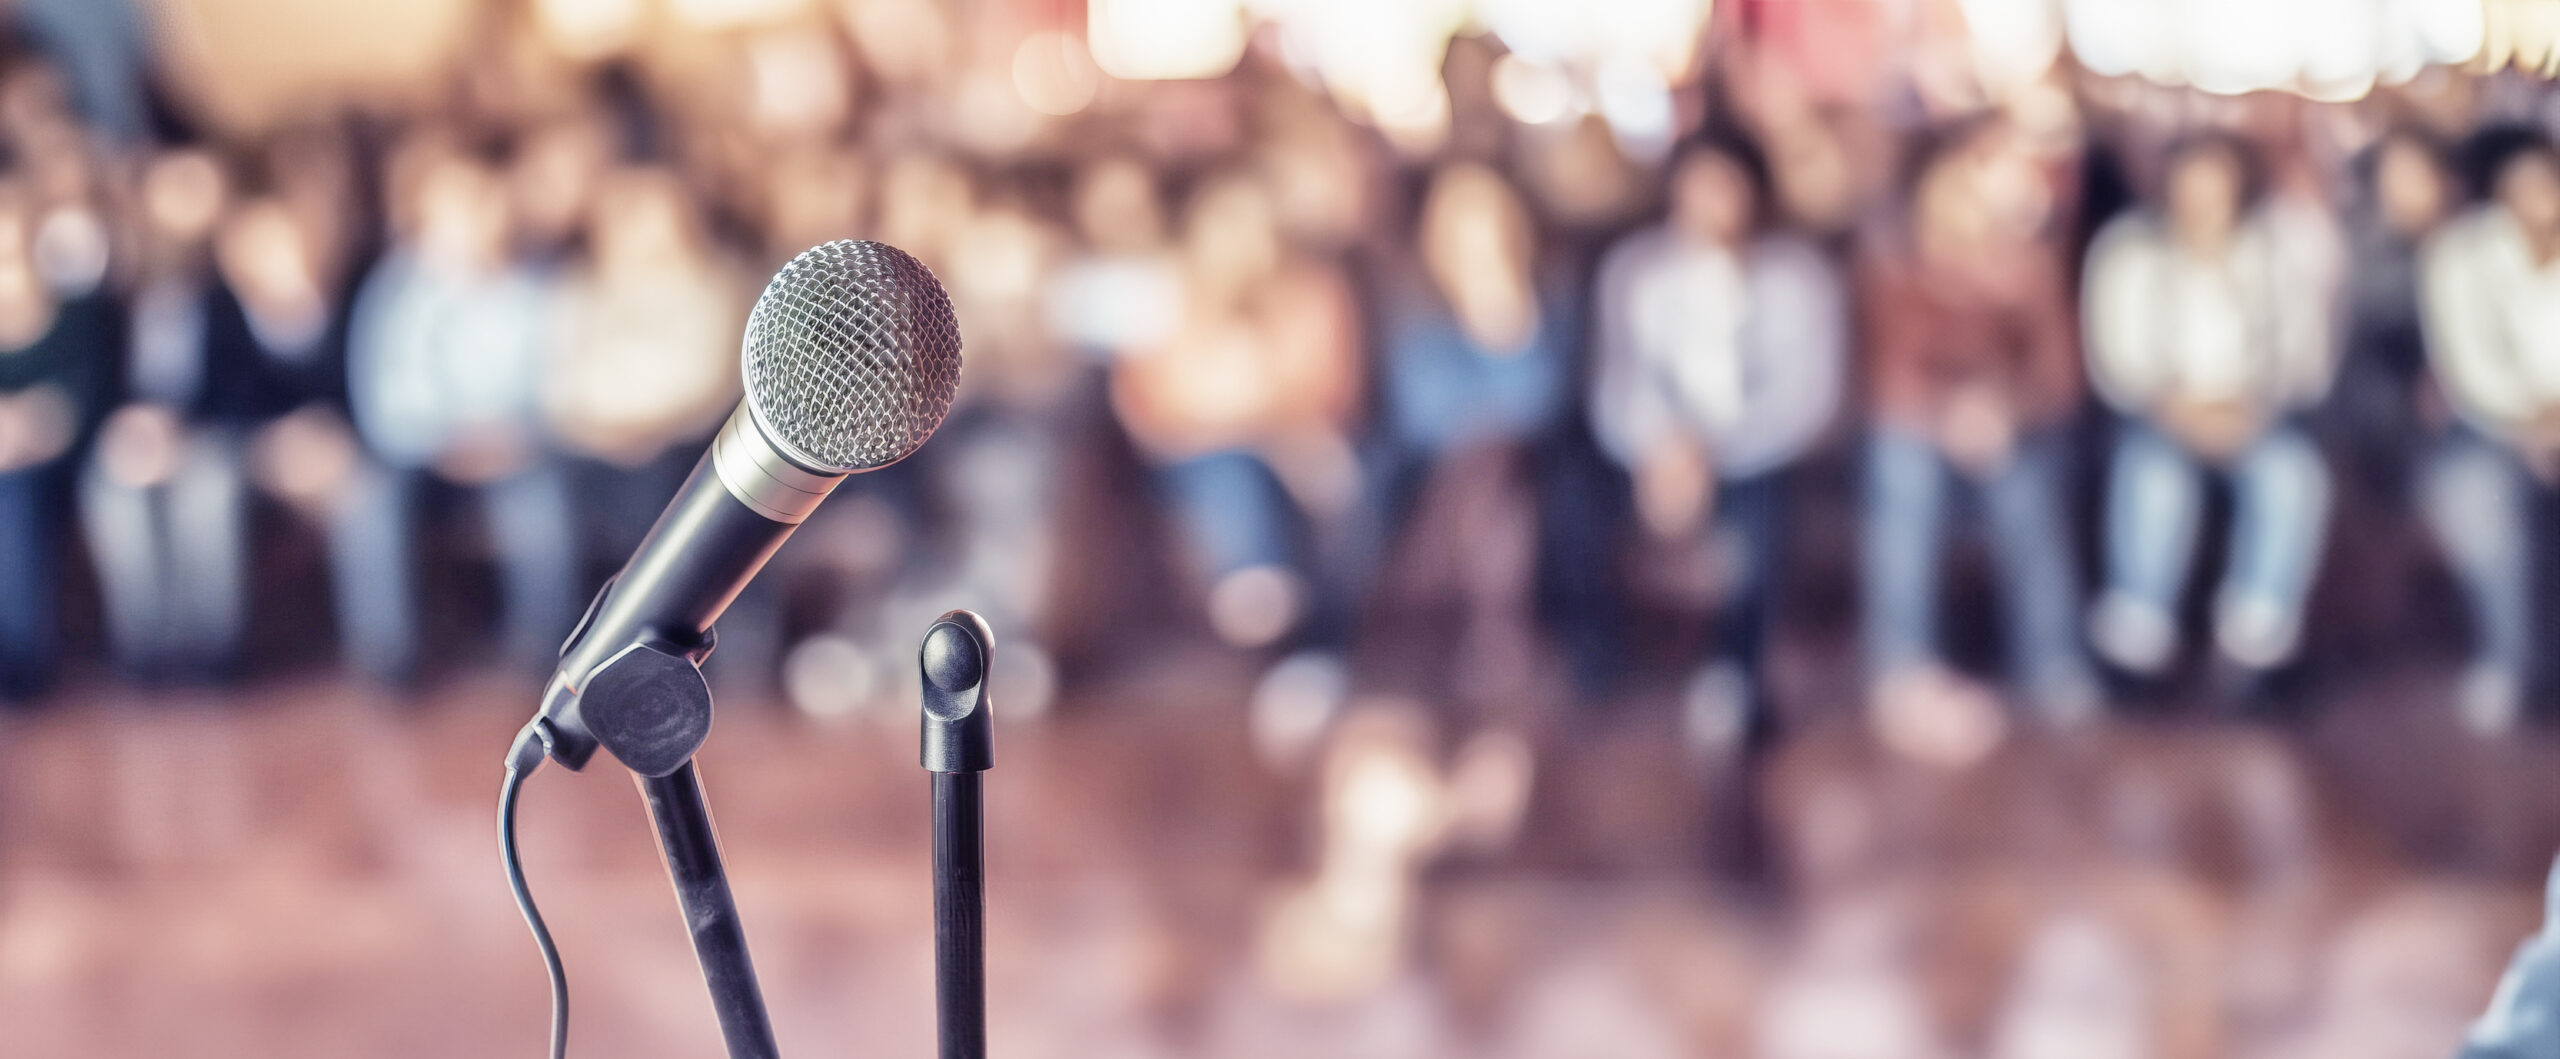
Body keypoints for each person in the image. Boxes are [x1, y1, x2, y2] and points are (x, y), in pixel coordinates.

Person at [1590, 132, 1846, 750]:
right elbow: (1615, 384)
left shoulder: (1798, 277)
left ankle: (1738, 670)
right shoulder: (1634, 272)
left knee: (1759, 519)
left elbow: (1808, 399)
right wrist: (1663, 449)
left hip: (1756, 453)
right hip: (1653, 456)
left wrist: (1713, 449)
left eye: (1726, 186)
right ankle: (1599, 673)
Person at [2081, 132, 2339, 696]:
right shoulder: (2127, 250)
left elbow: (2306, 354)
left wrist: (2251, 407)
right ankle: (2139, 646)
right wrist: (2178, 409)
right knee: (2153, 479)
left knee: (2290, 477)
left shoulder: (2276, 251)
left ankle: (2254, 647)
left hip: (2254, 414)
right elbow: (2113, 356)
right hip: (2159, 414)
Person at [1110, 169, 1363, 737]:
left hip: (1297, 453)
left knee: (1346, 489)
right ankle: (1260, 585)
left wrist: (1249, 414)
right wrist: (1255, 420)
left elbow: (1330, 392)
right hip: (1199, 462)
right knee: (1233, 469)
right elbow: (1151, 409)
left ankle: (1301, 642)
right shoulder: (1170, 299)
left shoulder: (1311, 293)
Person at [1859, 118, 2095, 726]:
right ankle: (1902, 674)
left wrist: (2002, 410)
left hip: (2011, 430)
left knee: (2026, 493)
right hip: (1921, 429)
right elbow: (1892, 374)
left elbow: (2058, 377)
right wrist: (1953, 415)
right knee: (1902, 473)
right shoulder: (1895, 266)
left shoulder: (2033, 266)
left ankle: (2055, 669)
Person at [342, 143, 574, 679]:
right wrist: (443, 438)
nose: (477, 217)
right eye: (460, 204)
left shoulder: (538, 287)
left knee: (539, 502)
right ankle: (389, 656)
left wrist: (516, 434)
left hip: (516, 446)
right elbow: (384, 394)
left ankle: (542, 650)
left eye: (486, 201)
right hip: (422, 450)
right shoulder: (396, 288)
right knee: (371, 499)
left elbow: (556, 377)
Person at [2416, 127, 2560, 733]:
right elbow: (2467, 365)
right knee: (2479, 499)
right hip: (2490, 428)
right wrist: (2536, 425)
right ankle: (2511, 663)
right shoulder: (2459, 256)